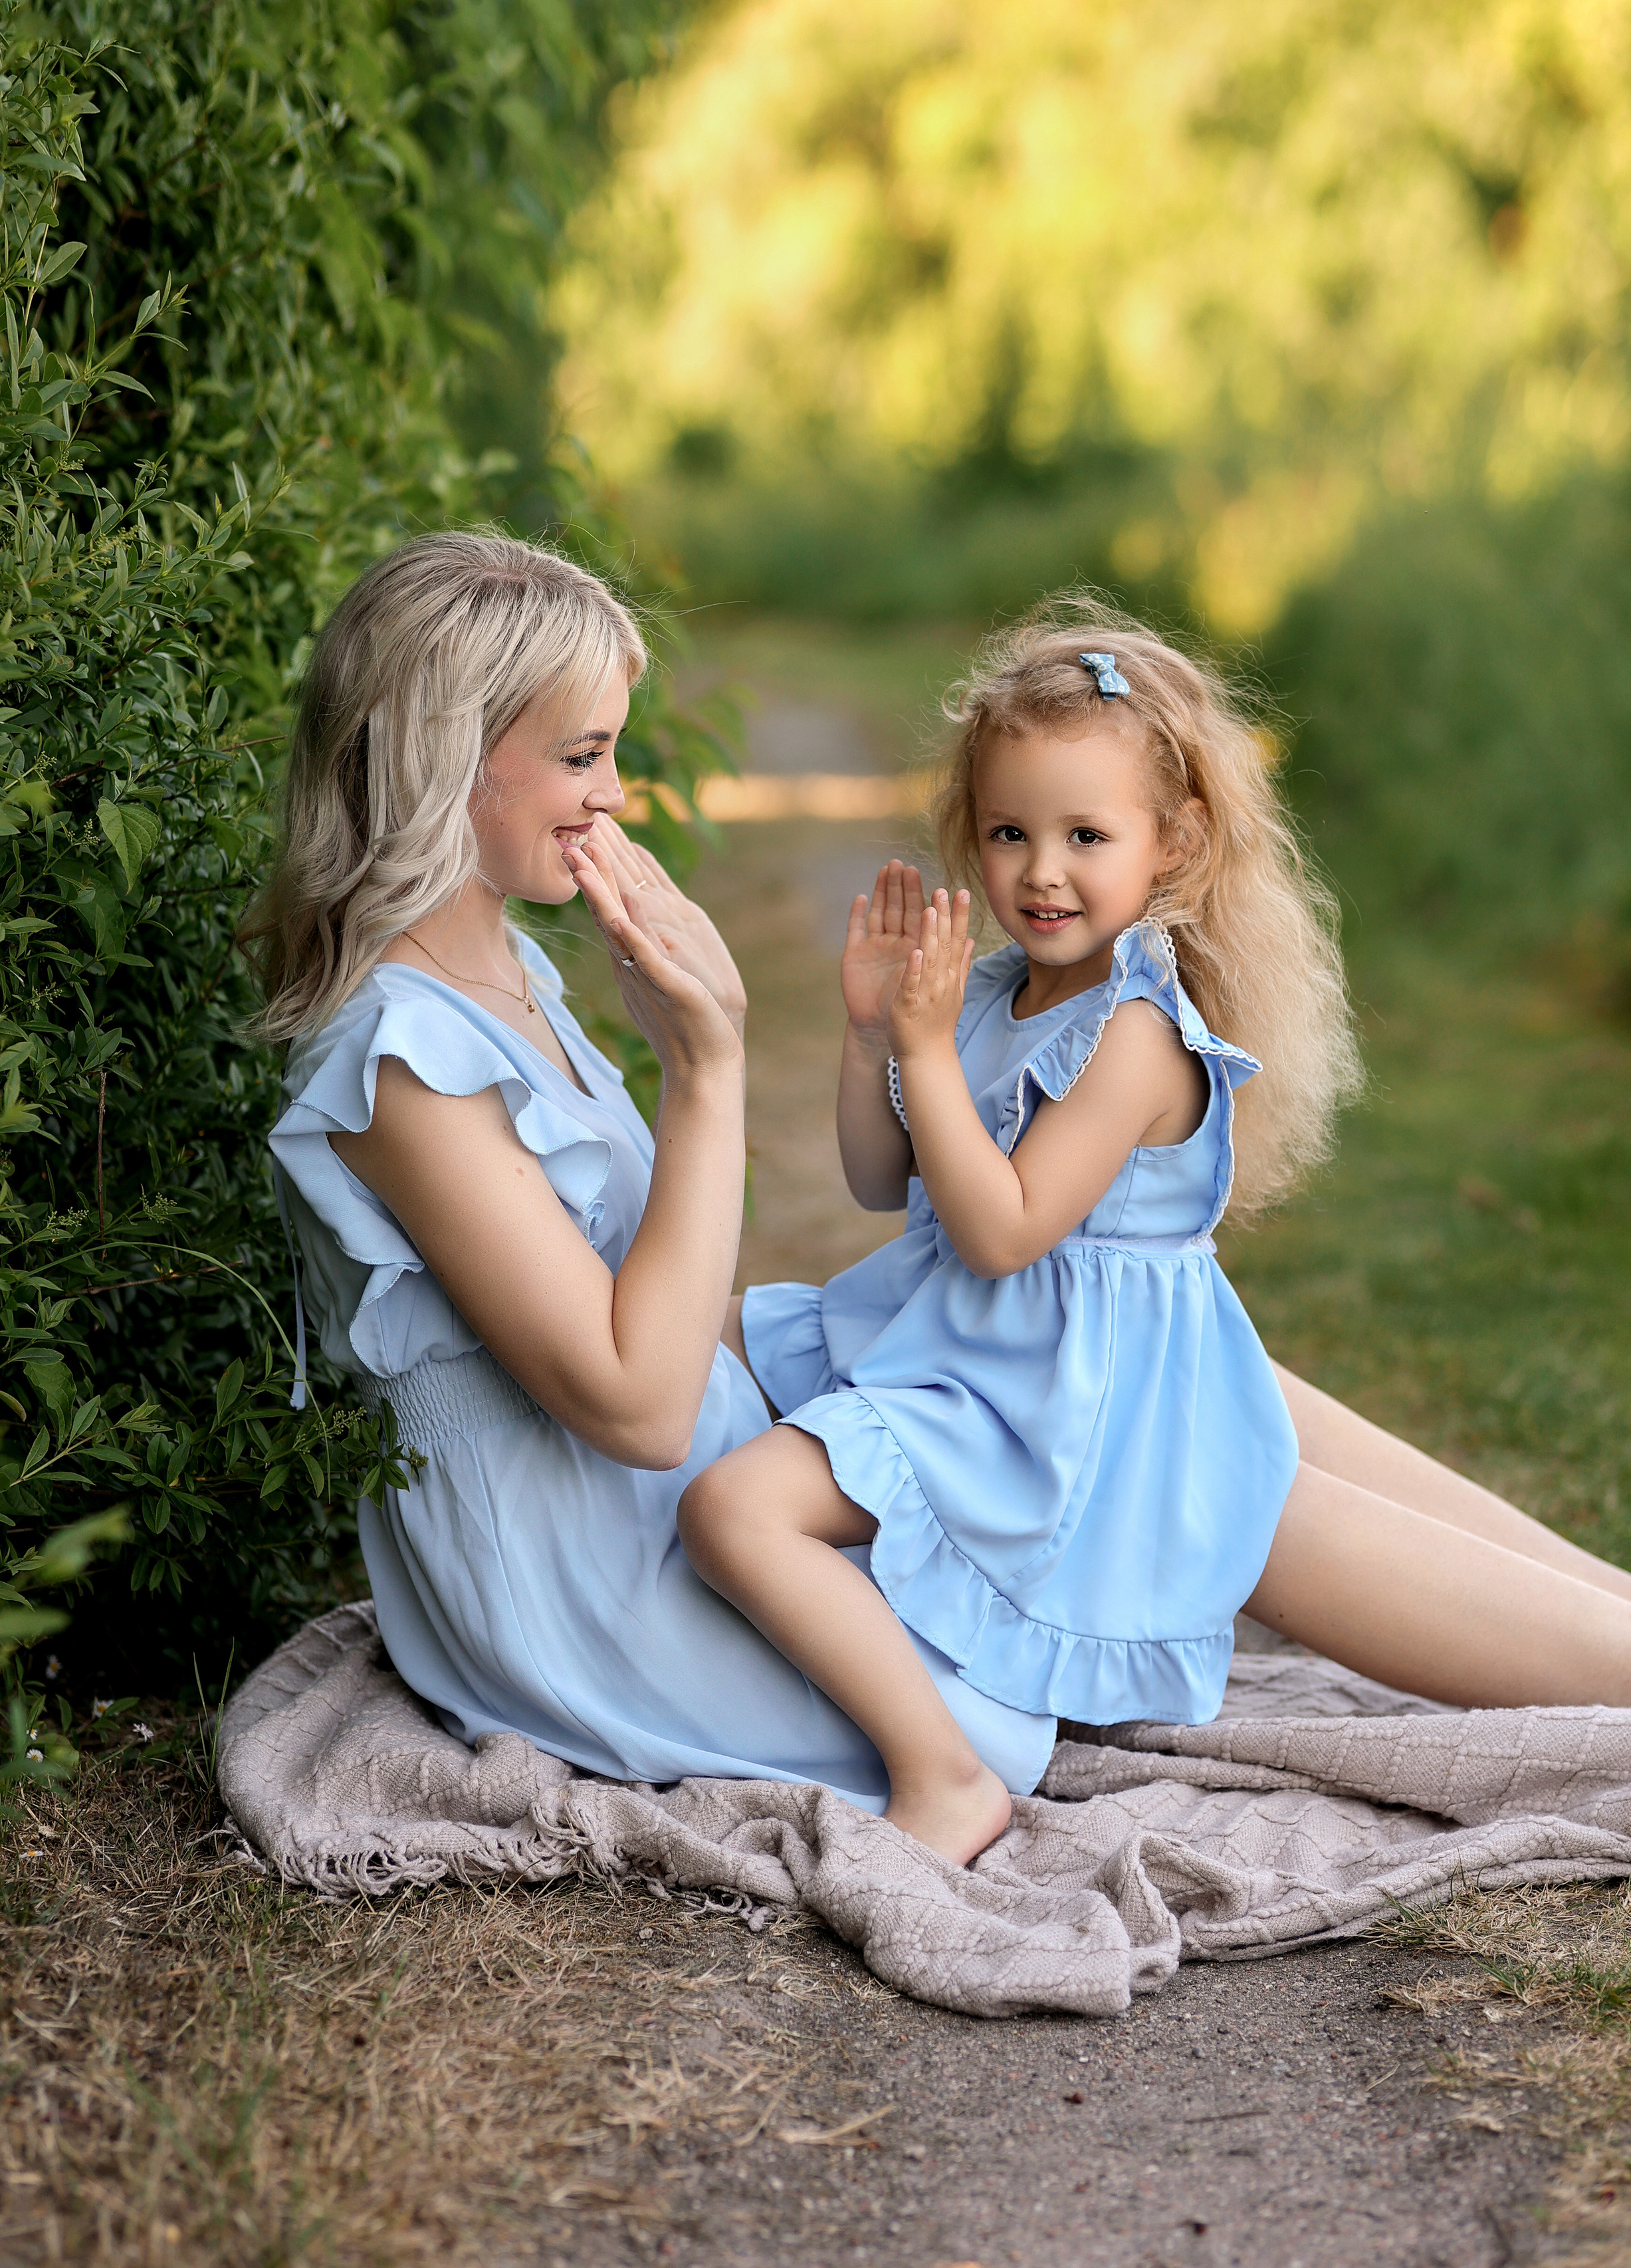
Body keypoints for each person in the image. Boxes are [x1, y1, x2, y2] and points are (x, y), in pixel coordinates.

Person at [676, 604, 1631, 1866]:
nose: (1041, 872)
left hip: (1092, 1405)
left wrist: (919, 1054)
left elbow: (1006, 1230)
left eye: (1085, 835)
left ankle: (946, 1776)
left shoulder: (1137, 1032)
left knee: (737, 1506)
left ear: (1172, 842)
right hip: (993, 1366)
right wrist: (874, 1038)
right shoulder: (986, 993)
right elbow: (878, 1178)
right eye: (1011, 833)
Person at [249, 530, 1060, 1816]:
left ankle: (1514, 1616)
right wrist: (707, 1069)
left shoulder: (510, 971)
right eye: (583, 756)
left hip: (666, 1509)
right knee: (1082, 1460)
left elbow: (656, 1303)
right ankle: (1514, 1667)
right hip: (596, 1573)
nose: (614, 794)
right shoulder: (397, 1057)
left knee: (1112, 1357)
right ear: (446, 759)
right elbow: (640, 1405)